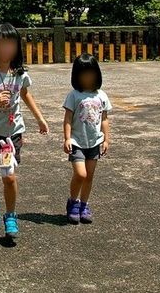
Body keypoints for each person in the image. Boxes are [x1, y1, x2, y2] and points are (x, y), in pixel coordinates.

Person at [0, 23, 49, 238]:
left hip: (11, 133)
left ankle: (11, 215)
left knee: (9, 176)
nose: (6, 48)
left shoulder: (19, 73)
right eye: (1, 44)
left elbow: (25, 95)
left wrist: (40, 119)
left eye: (11, 44)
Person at [62, 52, 112, 224]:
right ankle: (73, 201)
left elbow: (104, 119)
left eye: (90, 73)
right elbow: (68, 118)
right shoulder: (74, 95)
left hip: (94, 141)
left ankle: (84, 204)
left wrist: (106, 139)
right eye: (83, 74)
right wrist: (67, 138)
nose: (87, 77)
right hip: (77, 141)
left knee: (89, 175)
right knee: (80, 174)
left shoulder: (101, 95)